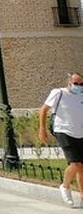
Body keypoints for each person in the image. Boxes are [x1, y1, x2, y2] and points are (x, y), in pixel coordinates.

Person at [38, 72, 83, 207]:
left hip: (80, 133)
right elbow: (44, 110)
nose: (79, 86)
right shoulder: (59, 93)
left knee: (82, 167)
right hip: (63, 131)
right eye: (76, 83)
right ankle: (65, 186)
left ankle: (82, 196)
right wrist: (42, 129)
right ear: (68, 82)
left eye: (81, 84)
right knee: (75, 164)